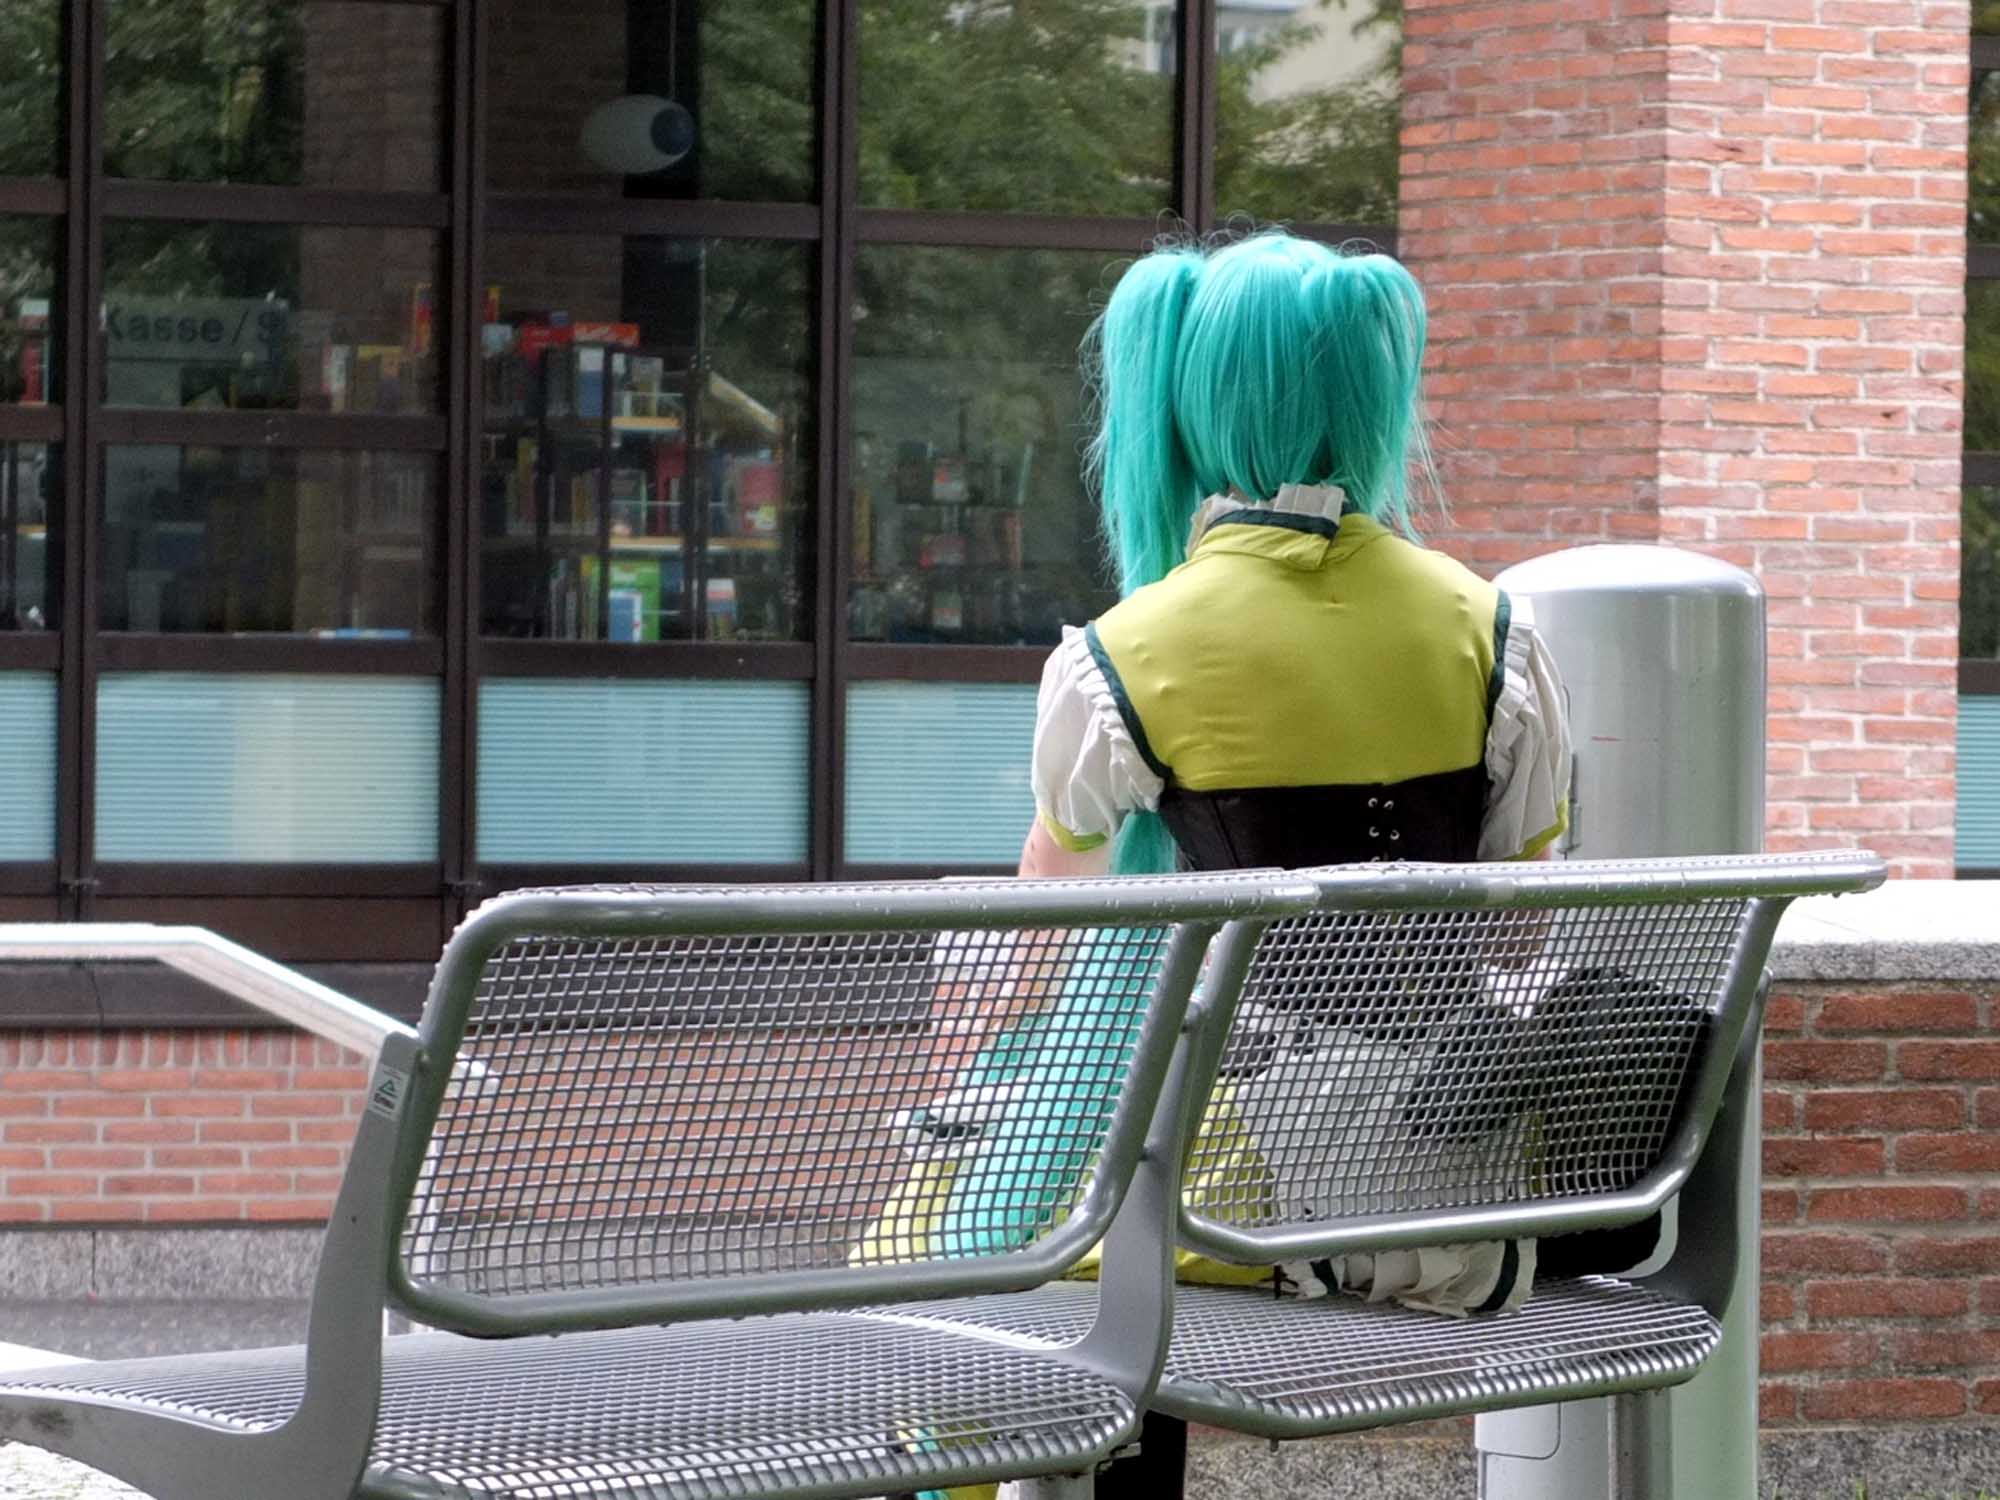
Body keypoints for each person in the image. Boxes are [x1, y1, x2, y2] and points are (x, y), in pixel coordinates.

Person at [887, 230, 1573, 1500]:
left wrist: (967, 1045)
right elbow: (1516, 932)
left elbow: (1031, 942)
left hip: (1234, 1206)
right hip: (1441, 1201)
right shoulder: (1491, 626)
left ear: (1182, 399)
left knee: (930, 1235)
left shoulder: (1125, 651)